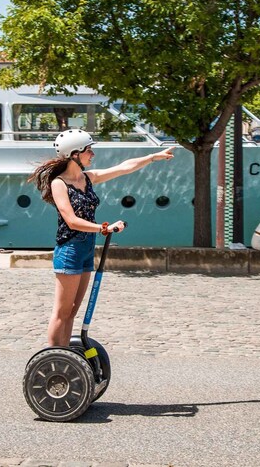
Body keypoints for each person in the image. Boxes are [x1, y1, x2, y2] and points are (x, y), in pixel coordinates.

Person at [28, 129, 175, 347]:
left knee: (72, 312)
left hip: (87, 248)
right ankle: (53, 357)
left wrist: (152, 157)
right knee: (61, 312)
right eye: (89, 150)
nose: (92, 155)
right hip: (69, 250)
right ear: (74, 153)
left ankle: (66, 353)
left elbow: (123, 168)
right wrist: (103, 228)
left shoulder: (88, 178)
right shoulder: (59, 183)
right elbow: (71, 220)